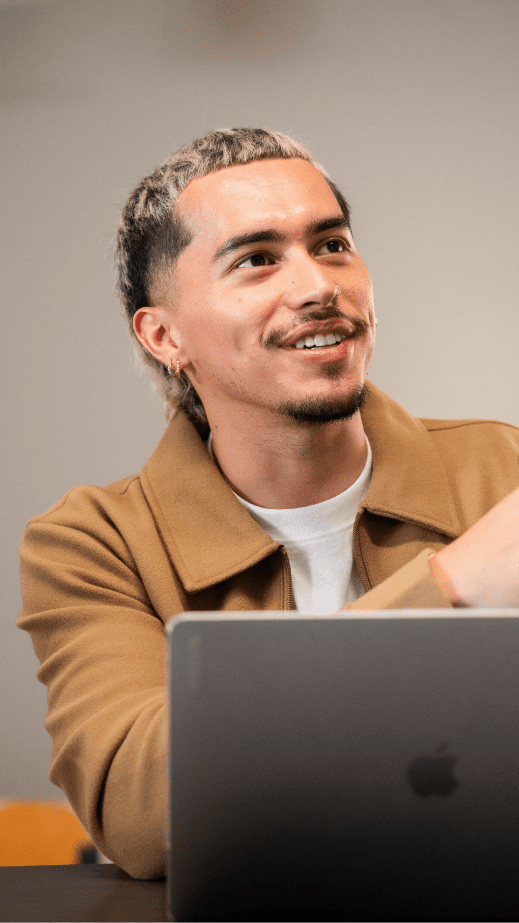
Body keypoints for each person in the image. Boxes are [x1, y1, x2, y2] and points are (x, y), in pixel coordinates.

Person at [18, 128, 519, 879]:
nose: (319, 285)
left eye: (332, 245)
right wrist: (447, 587)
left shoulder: (506, 471)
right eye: (256, 260)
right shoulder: (93, 543)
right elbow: (144, 819)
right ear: (164, 335)